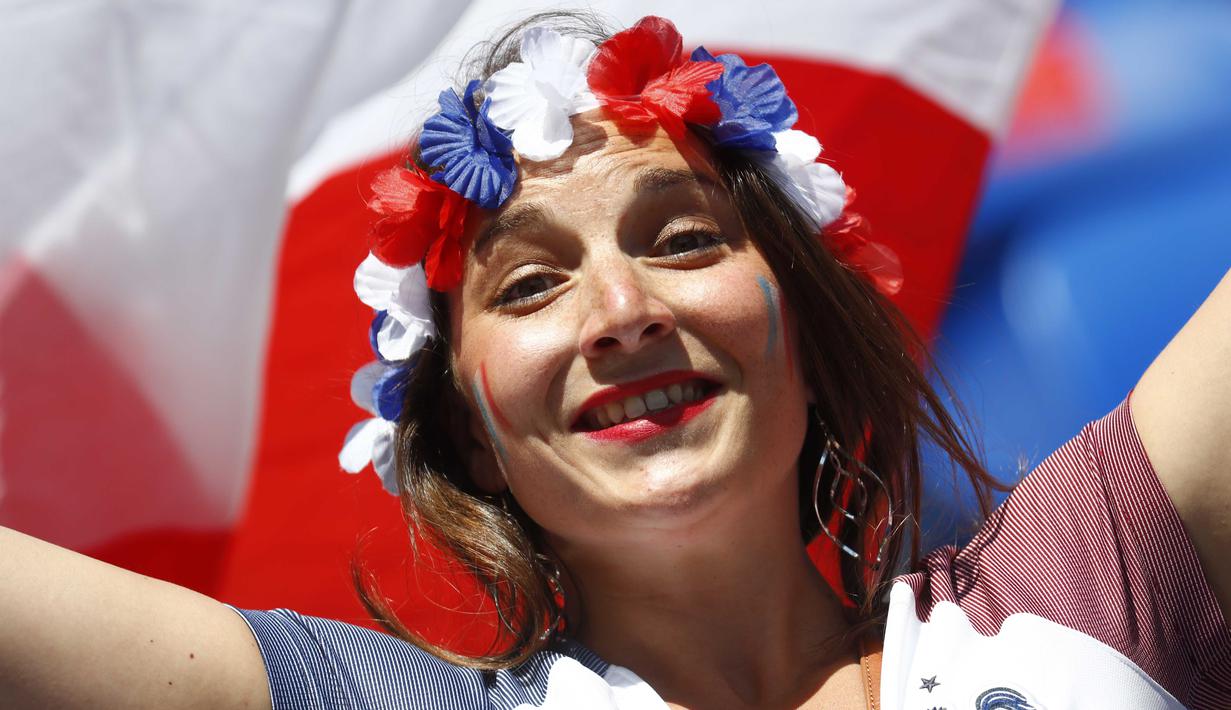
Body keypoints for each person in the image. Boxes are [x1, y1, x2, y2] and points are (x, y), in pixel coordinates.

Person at [2, 12, 1229, 710]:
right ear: (469, 430)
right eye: (531, 283)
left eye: (683, 240)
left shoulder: (1089, 582)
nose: (621, 310)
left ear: (807, 331)